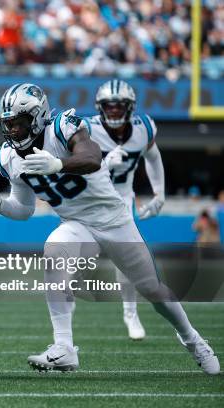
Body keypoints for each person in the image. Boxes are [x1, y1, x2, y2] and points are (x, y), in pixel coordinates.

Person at [0, 83, 219, 375]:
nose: (12, 130)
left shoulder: (63, 127)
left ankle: (194, 340)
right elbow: (25, 209)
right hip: (77, 225)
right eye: (8, 124)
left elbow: (91, 158)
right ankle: (64, 347)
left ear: (37, 117)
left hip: (115, 221)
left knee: (152, 290)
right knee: (53, 254)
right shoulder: (8, 157)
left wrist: (57, 164)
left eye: (18, 122)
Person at [89, 79, 166, 340]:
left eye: (119, 106)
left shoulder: (143, 128)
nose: (113, 111)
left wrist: (160, 193)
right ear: (100, 108)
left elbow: (153, 158)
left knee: (128, 262)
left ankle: (130, 312)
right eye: (108, 106)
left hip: (120, 201)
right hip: (85, 199)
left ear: (130, 107)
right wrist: (102, 165)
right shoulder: (85, 129)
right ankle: (62, 338)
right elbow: (70, 169)